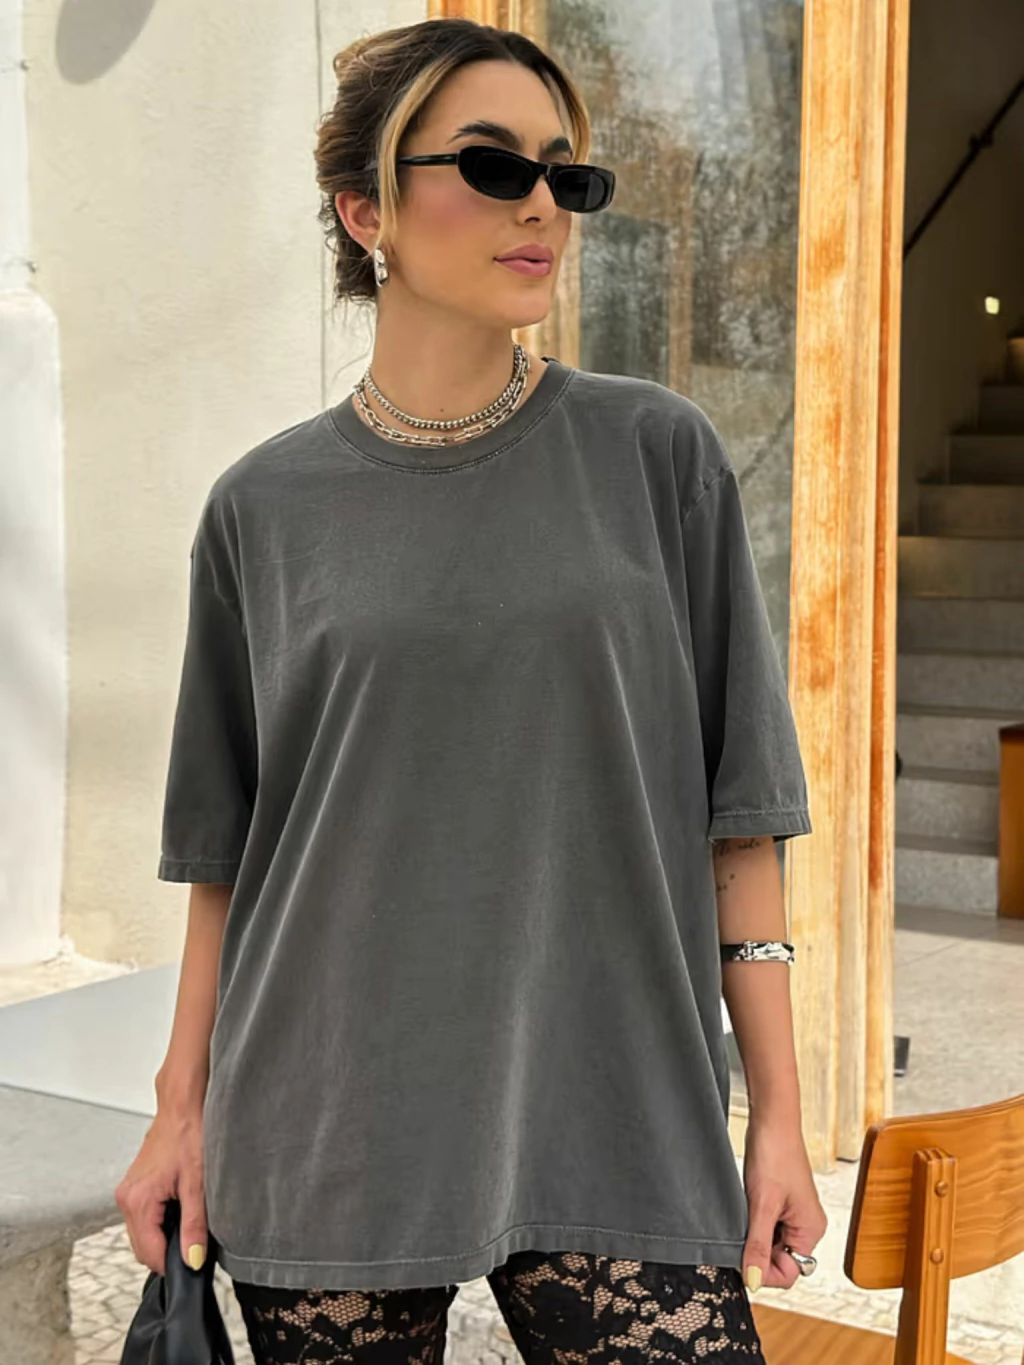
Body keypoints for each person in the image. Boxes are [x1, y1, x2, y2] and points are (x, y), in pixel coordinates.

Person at [115, 16, 827, 1364]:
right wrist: (179, 1105)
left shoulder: (656, 456)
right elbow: (229, 859)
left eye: (568, 174)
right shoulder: (261, 508)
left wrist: (778, 1114)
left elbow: (740, 824)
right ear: (365, 210)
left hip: (617, 1100)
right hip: (327, 1114)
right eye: (496, 167)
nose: (544, 205)